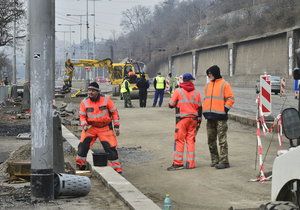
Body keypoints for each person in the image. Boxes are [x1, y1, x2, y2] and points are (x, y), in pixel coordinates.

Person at [76, 82, 122, 173]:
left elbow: (114, 113)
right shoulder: (84, 102)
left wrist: (116, 126)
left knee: (110, 148)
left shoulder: (106, 100)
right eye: (89, 90)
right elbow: (82, 116)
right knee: (82, 147)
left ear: (98, 91)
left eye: (93, 91)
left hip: (105, 128)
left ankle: (117, 170)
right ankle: (81, 166)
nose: (90, 92)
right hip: (90, 127)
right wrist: (84, 124)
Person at [167, 73, 202, 171]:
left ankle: (178, 163)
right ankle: (191, 163)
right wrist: (199, 120)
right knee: (191, 141)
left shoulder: (178, 91)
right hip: (193, 120)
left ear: (183, 80)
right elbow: (200, 107)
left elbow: (171, 104)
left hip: (182, 120)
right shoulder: (197, 92)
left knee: (179, 140)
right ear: (190, 81)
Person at [203, 65, 235, 169]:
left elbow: (230, 98)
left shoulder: (224, 84)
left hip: (220, 118)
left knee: (222, 140)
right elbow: (206, 99)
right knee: (211, 140)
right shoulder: (208, 85)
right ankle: (215, 160)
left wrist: (224, 109)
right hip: (210, 117)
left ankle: (224, 162)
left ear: (215, 73)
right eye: (208, 74)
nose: (209, 75)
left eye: (210, 73)